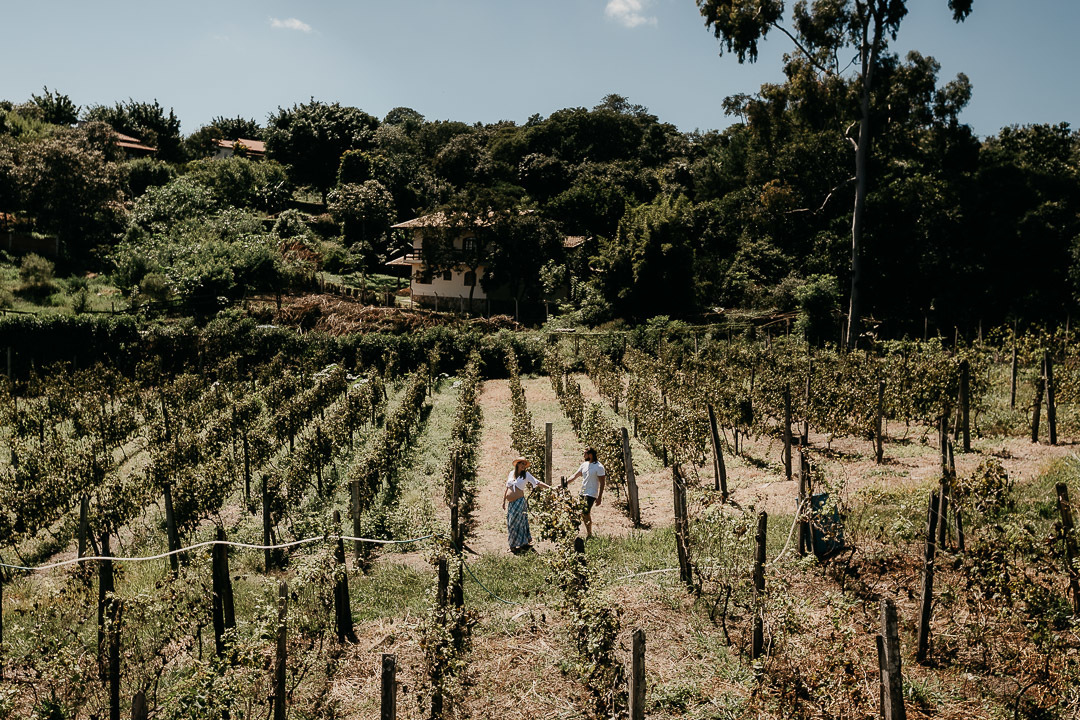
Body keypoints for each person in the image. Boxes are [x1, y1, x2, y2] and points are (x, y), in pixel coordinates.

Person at [503, 456, 550, 553]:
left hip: (519, 502)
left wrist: (550, 488)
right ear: (517, 464)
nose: (523, 466)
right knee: (511, 522)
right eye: (522, 464)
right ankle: (512, 545)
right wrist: (503, 501)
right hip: (511, 503)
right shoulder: (511, 473)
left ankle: (521, 544)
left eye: (525, 464)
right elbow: (507, 487)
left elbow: (537, 482)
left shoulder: (526, 475)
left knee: (519, 523)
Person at [567, 447, 606, 539]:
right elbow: (574, 476)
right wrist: (565, 483)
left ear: (590, 455)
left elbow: (602, 483)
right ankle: (579, 533)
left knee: (585, 512)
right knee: (579, 512)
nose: (583, 455)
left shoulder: (599, 467)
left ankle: (589, 534)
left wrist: (599, 497)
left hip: (591, 493)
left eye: (585, 454)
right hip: (583, 492)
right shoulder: (584, 465)